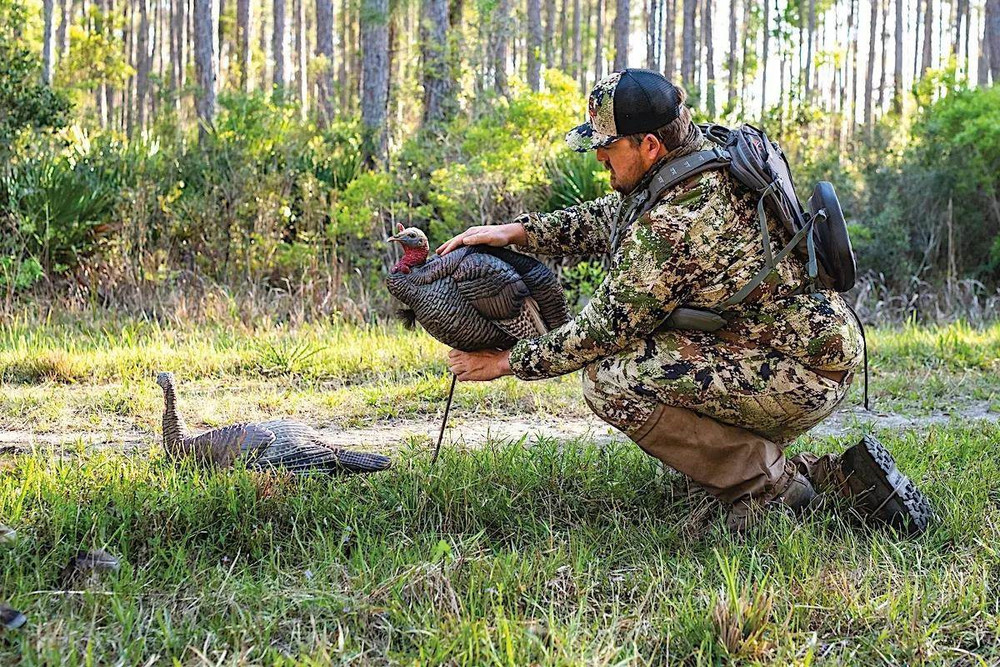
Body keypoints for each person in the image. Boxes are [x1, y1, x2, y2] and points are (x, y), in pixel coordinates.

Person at [437, 68, 931, 533]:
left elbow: (599, 332)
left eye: (607, 148)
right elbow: (618, 212)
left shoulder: (677, 222)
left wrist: (505, 362)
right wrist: (519, 232)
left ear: (648, 146)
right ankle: (835, 478)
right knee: (653, 347)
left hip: (800, 372)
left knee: (612, 379)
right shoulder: (705, 149)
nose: (599, 160)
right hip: (805, 349)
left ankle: (770, 490)